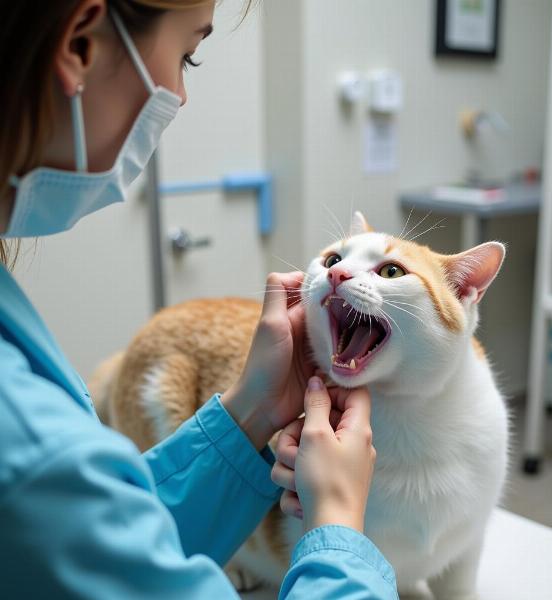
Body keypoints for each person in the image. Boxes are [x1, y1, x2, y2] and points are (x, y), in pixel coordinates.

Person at [0, 1, 398, 598]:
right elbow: (64, 507)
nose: (181, 95)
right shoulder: (29, 452)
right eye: (187, 53)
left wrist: (255, 412)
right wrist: (338, 521)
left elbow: (105, 545)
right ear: (80, 45)